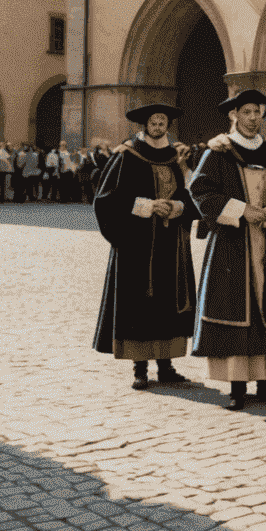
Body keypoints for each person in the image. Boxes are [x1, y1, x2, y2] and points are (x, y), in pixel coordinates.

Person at [188, 89, 266, 411]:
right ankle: (237, 386)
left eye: (257, 112)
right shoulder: (218, 151)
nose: (253, 118)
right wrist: (239, 211)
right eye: (246, 112)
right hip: (232, 244)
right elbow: (200, 189)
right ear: (233, 115)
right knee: (237, 307)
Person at [91, 102, 197, 389]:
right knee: (140, 303)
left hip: (171, 242)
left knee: (167, 302)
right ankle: (140, 369)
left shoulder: (178, 157)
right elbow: (106, 198)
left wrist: (176, 206)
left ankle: (167, 365)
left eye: (163, 121)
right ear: (145, 125)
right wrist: (148, 206)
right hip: (137, 243)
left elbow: (193, 194)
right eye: (154, 121)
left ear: (168, 125)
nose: (159, 125)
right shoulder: (128, 155)